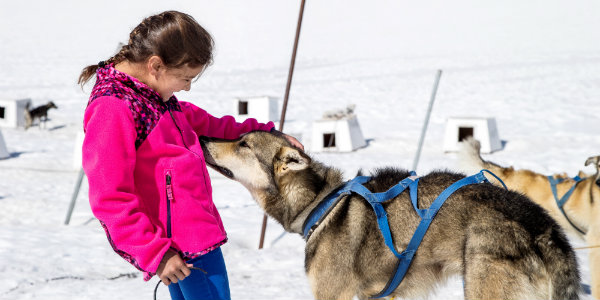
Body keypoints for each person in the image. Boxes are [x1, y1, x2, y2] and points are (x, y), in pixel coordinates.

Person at [78, 10, 302, 300]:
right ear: (155, 65)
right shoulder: (115, 108)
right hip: (178, 247)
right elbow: (110, 196)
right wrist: (154, 253)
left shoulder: (156, 98)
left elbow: (213, 126)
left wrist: (269, 136)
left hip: (191, 238)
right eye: (184, 77)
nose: (187, 87)